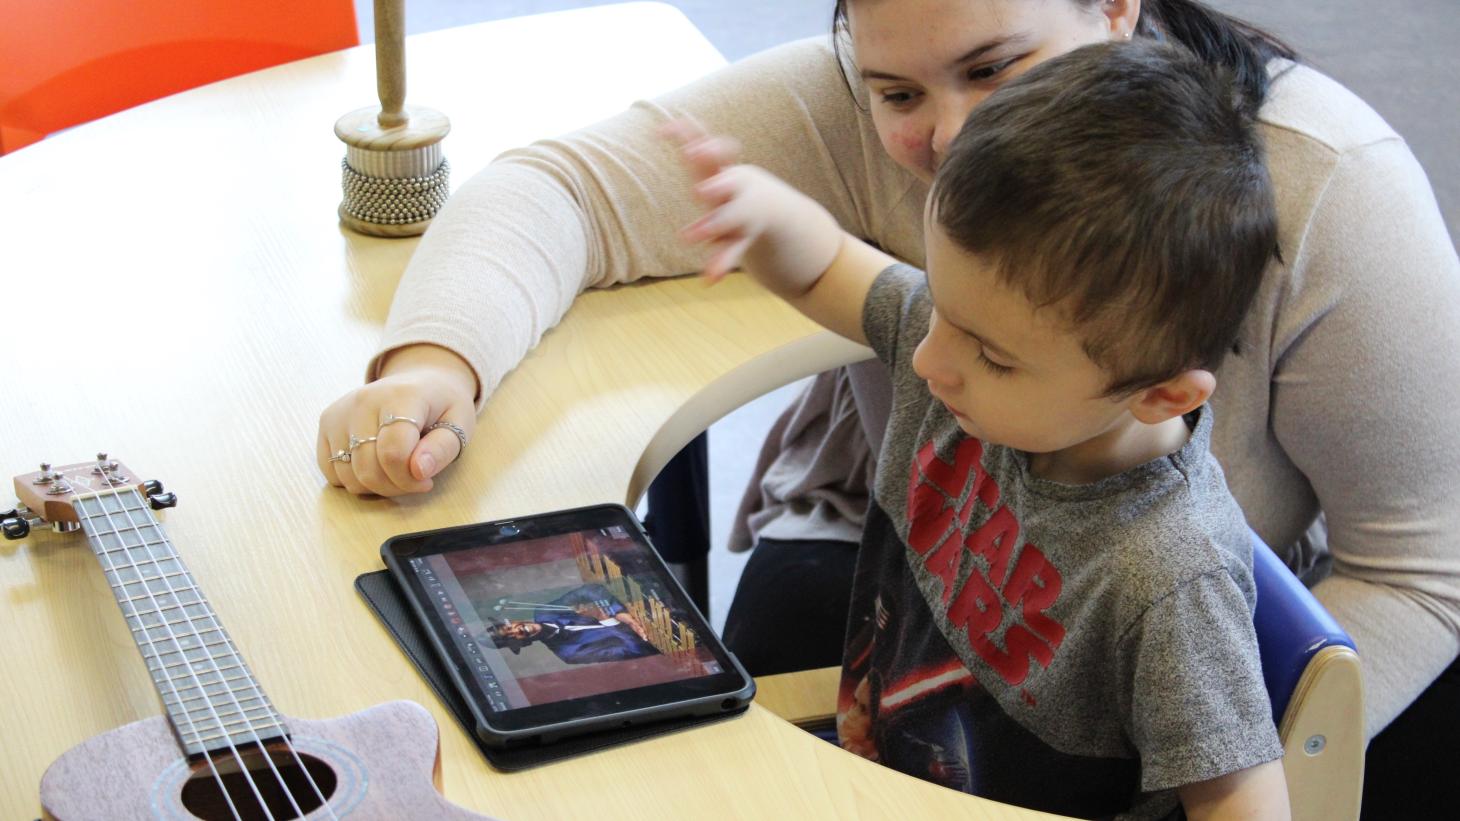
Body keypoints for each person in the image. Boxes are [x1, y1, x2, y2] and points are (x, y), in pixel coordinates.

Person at [316, 1, 1460, 811]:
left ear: (1115, 11)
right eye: (895, 92)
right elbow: (812, 265)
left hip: (1080, 736)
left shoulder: (1175, 572)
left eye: (993, 69)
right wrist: (430, 367)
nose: (944, 137)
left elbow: (1398, 598)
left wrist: (1297, 747)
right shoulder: (943, 322)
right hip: (922, 667)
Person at [667, 37, 1287, 819]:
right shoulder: (973, 355)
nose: (928, 357)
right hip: (884, 771)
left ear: (1161, 395)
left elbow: (1241, 798)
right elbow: (827, 265)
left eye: (989, 354)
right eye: (944, 310)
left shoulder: (1168, 580)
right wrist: (758, 213)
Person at [485, 583, 658, 664]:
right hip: (659, 636)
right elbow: (637, 651)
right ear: (523, 643)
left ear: (513, 621)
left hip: (646, 606)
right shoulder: (570, 653)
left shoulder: (545, 612)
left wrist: (618, 613)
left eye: (509, 627)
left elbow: (590, 590)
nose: (517, 630)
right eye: (512, 637)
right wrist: (607, 620)